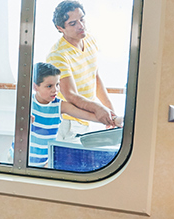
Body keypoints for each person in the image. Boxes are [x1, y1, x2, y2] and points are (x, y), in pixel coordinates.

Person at [46, 0, 120, 140]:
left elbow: (95, 78)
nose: (81, 26)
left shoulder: (90, 40)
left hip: (86, 117)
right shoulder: (57, 55)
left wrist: (111, 112)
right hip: (68, 122)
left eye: (82, 19)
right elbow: (71, 96)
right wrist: (98, 109)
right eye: (73, 23)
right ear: (60, 28)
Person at [28, 62, 123, 167]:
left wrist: (114, 120)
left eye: (57, 84)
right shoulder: (27, 103)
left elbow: (88, 115)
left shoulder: (60, 106)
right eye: (49, 86)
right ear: (35, 87)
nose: (55, 90)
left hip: (42, 164)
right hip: (18, 160)